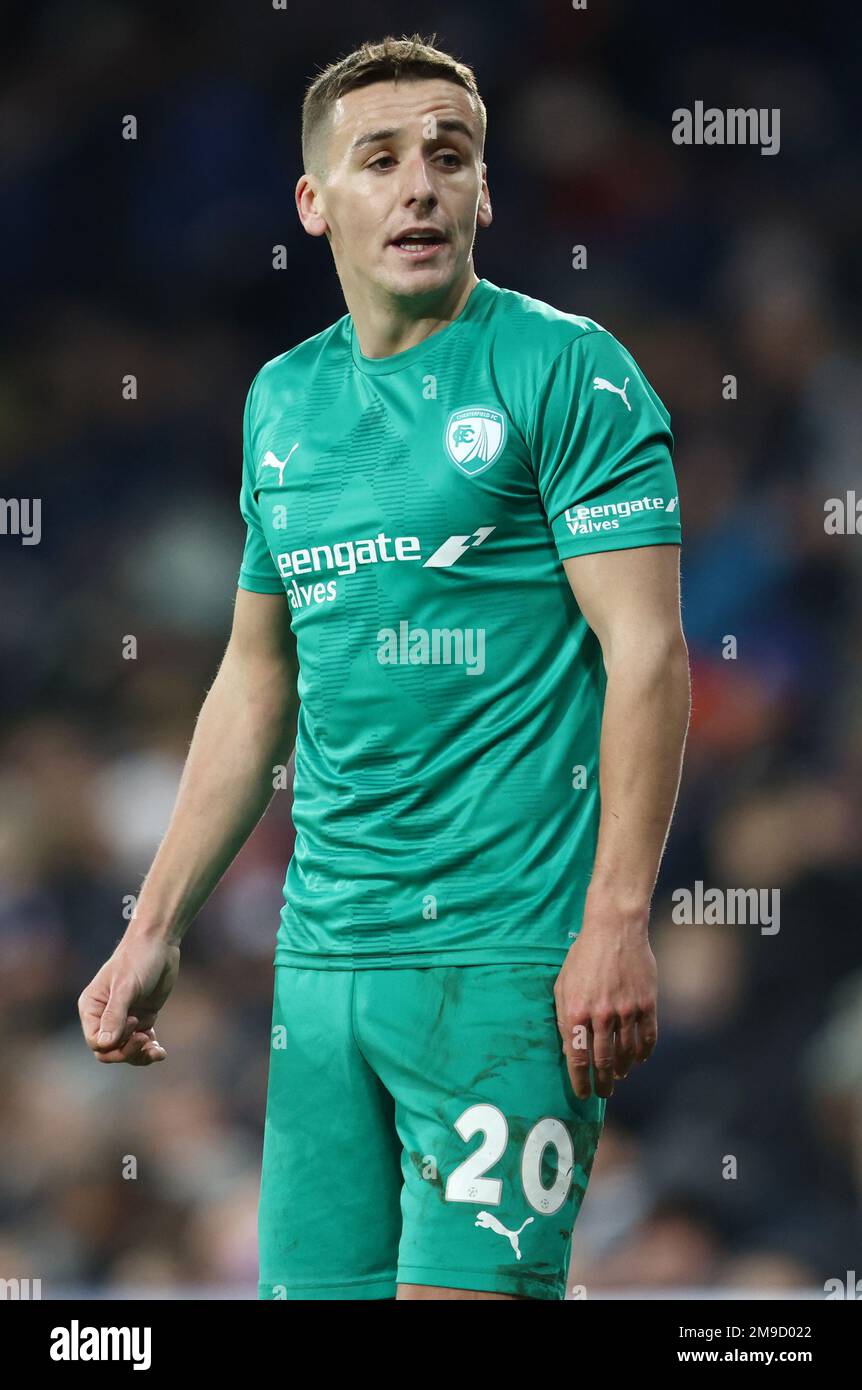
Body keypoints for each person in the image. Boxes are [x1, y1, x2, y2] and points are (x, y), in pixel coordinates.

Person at [79, 33, 691, 1301]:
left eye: (448, 157)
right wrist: (155, 925)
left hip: (505, 960)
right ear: (315, 203)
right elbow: (256, 681)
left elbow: (648, 650)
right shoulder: (280, 402)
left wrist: (618, 917)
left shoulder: (566, 370)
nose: (418, 185)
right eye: (380, 159)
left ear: (483, 194)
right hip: (323, 970)